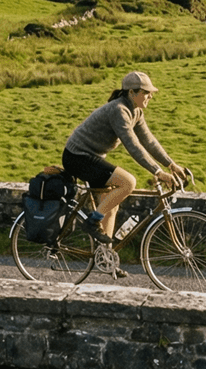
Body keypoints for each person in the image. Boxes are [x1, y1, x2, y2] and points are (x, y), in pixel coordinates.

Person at [62, 71, 184, 266]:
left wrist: (171, 164)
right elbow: (132, 144)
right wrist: (157, 171)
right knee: (128, 182)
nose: (150, 96)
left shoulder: (136, 111)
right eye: (146, 92)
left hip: (90, 157)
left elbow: (149, 141)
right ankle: (92, 221)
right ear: (131, 92)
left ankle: (105, 259)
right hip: (77, 157)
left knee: (111, 204)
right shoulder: (119, 110)